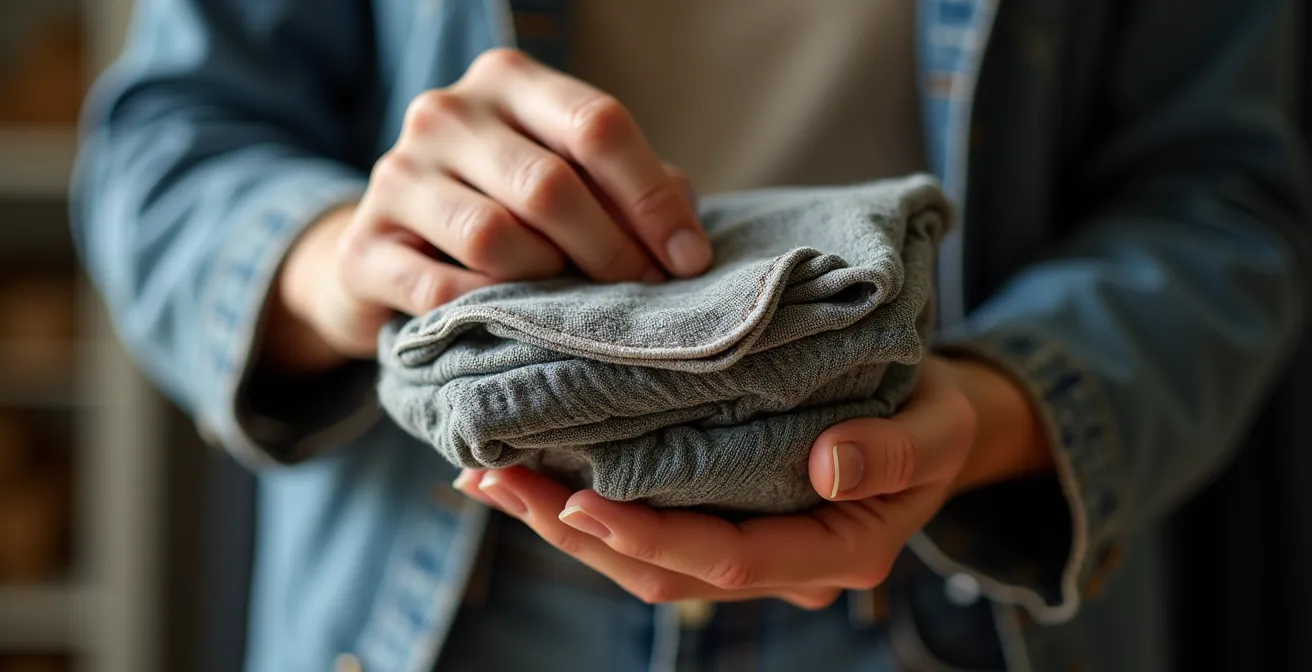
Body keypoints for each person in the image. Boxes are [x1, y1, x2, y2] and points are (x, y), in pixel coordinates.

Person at [73, 0, 1309, 670]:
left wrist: (990, 411)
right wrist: (355, 256)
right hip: (456, 604)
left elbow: (1217, 204)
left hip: (945, 602)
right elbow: (165, 144)